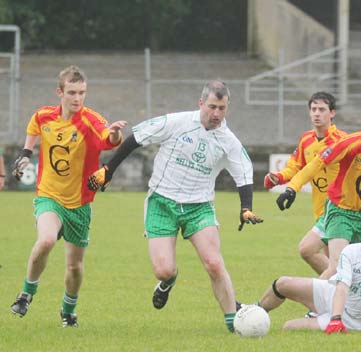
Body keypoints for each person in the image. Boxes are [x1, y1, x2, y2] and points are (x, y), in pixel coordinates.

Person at [87, 80, 263, 333]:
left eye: (222, 108)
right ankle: (168, 282)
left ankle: (233, 322)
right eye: (212, 107)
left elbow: (244, 174)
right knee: (163, 269)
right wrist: (109, 169)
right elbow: (136, 138)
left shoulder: (229, 140)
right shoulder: (176, 123)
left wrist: (245, 207)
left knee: (214, 262)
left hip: (199, 207)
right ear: (201, 103)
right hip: (162, 203)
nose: (216, 114)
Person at [10, 65, 127, 327]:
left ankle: (68, 311)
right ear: (60, 92)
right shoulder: (44, 116)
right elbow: (33, 127)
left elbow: (110, 138)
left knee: (74, 267)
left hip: (80, 204)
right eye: (72, 92)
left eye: (82, 93)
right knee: (47, 240)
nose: (77, 98)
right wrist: (26, 154)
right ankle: (26, 294)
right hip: (49, 196)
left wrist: (117, 131)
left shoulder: (90, 120)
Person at [277, 104, 361, 280]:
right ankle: (317, 305)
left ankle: (340, 300)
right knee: (338, 267)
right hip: (340, 211)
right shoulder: (352, 142)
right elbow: (318, 162)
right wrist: (292, 187)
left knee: (359, 272)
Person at [264, 92, 346, 275]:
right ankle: (339, 294)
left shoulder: (342, 141)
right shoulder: (306, 139)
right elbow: (295, 167)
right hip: (321, 211)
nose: (317, 113)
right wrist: (278, 177)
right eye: (313, 109)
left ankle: (327, 295)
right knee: (333, 264)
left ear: (332, 113)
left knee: (310, 251)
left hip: (342, 210)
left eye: (322, 109)